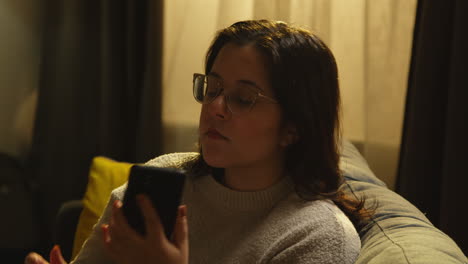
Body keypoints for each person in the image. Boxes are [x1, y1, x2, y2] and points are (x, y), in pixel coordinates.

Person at [25, 19, 371, 264]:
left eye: (243, 97)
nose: (215, 108)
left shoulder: (317, 239)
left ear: (293, 127)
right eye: (214, 88)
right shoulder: (161, 179)